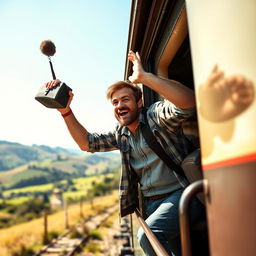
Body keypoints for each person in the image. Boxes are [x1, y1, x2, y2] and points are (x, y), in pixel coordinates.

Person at [44, 50, 204, 256]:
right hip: (151, 203)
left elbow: (188, 102)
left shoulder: (155, 115)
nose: (120, 105)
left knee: (149, 236)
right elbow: (87, 143)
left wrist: (145, 78)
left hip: (183, 195)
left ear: (139, 103)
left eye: (125, 99)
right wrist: (65, 110)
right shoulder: (121, 134)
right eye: (115, 102)